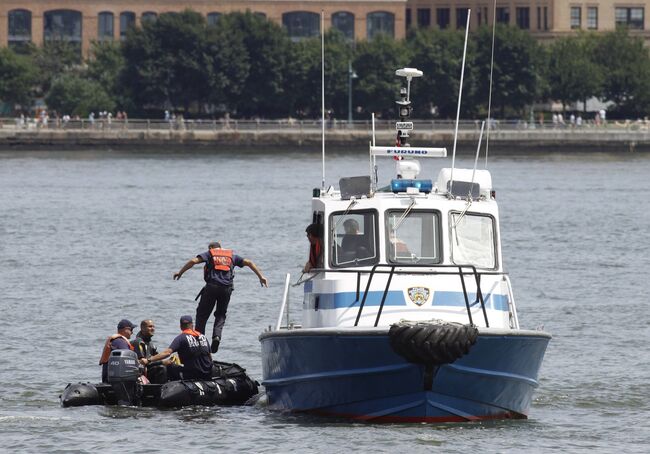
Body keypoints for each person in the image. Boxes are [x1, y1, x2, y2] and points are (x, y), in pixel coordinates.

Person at [173, 242, 268, 353]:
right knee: (221, 314)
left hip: (212, 287)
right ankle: (216, 337)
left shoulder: (210, 253)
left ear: (211, 248)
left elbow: (193, 261)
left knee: (202, 315)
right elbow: (249, 262)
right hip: (226, 289)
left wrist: (180, 272)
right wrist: (261, 277)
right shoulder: (231, 255)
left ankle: (200, 342)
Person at [140, 315, 213, 381]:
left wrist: (148, 360)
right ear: (192, 325)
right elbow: (210, 357)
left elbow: (167, 353)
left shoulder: (181, 338)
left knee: (170, 367)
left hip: (192, 375)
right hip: (208, 374)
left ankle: (168, 389)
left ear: (181, 326)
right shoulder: (203, 337)